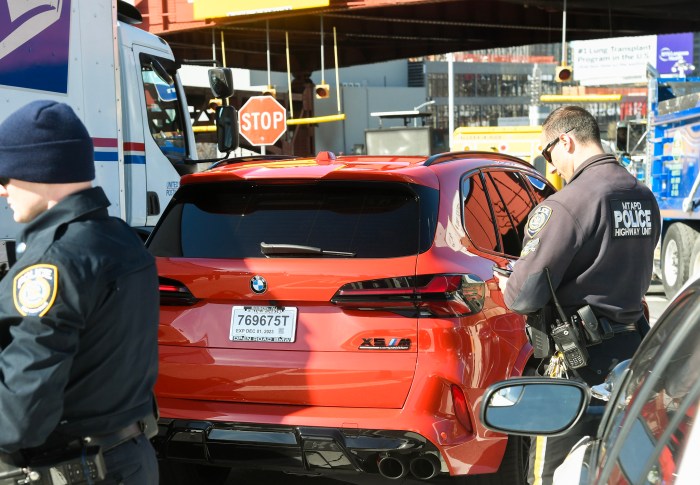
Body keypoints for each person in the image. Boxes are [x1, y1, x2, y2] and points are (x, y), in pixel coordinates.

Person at [497, 106, 660, 485]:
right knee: (620, 468)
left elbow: (522, 297)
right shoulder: (642, 196)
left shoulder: (565, 205)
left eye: (547, 153)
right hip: (632, 357)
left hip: (576, 368)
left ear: (565, 141)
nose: (550, 166)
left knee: (548, 473)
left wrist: (508, 283)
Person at [0, 100, 159, 484]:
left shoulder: (52, 266)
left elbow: (20, 416)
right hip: (131, 458)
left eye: (7, 175)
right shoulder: (123, 239)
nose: (2, 189)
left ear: (40, 170)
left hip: (75, 468)